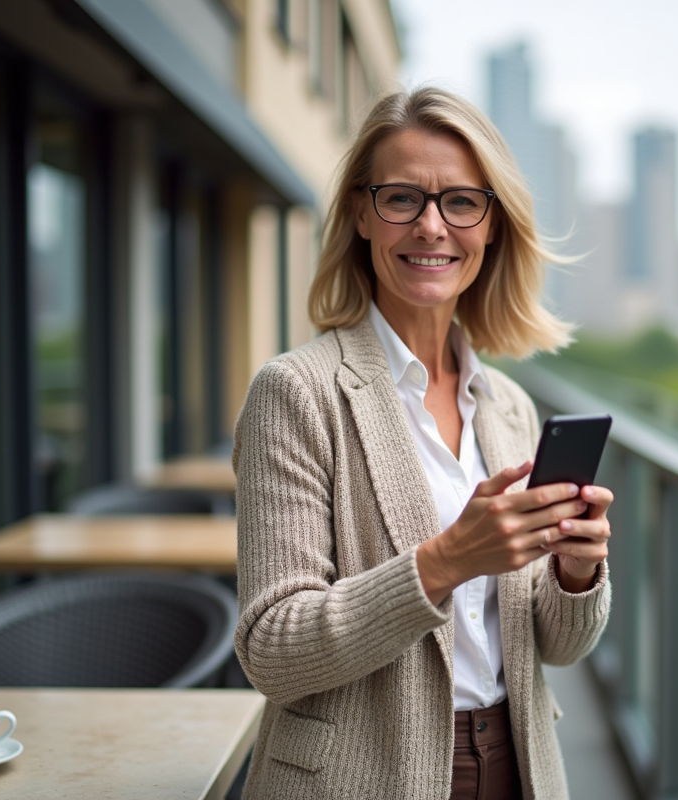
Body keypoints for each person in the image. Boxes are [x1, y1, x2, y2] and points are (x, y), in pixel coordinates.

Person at [232, 86, 613, 800]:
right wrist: (444, 563)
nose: (432, 226)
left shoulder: (509, 409)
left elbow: (557, 646)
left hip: (519, 763)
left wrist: (576, 574)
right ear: (361, 214)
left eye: (462, 201)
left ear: (492, 225)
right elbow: (273, 651)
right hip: (358, 776)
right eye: (402, 198)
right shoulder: (295, 394)